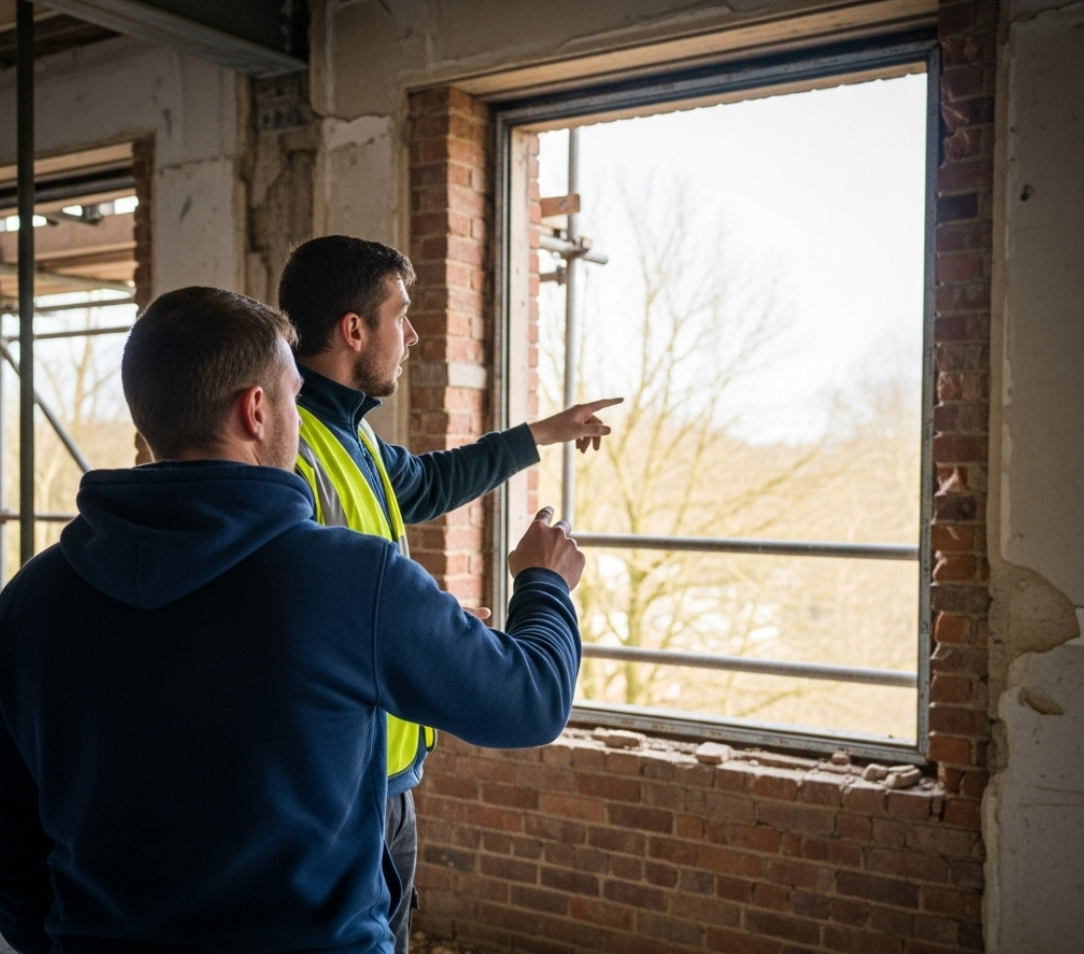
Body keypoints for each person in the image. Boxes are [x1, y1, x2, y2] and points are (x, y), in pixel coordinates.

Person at [0, 286, 584, 954]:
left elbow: (12, 842)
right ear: (255, 411)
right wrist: (544, 584)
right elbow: (530, 701)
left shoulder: (32, 599)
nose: (301, 419)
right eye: (292, 396)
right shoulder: (350, 579)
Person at [277, 235, 619, 953]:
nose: (412, 335)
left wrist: (544, 433)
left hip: (388, 773)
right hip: (342, 788)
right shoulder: (293, 447)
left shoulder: (351, 435)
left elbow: (429, 483)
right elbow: (297, 616)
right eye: (400, 314)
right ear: (353, 329)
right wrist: (536, 587)